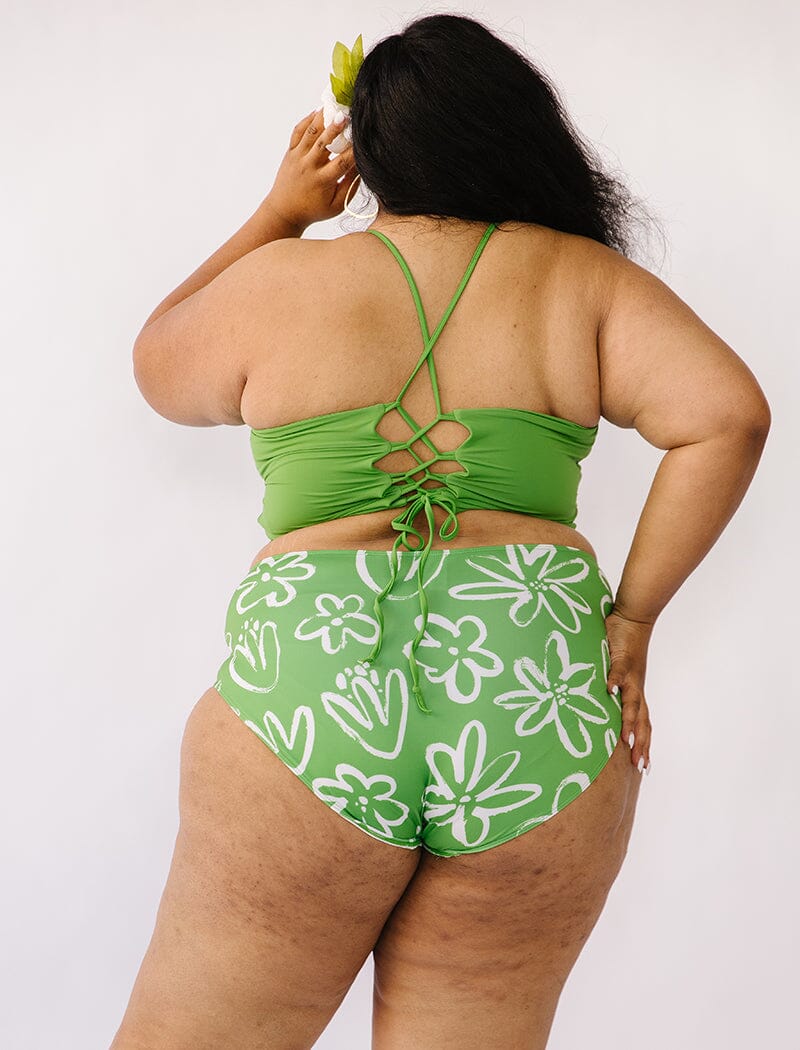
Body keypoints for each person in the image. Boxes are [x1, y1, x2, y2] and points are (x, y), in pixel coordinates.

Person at [112, 13, 771, 1050]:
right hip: (536, 713)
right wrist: (634, 619)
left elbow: (158, 361)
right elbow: (728, 416)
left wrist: (278, 215)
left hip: (311, 707)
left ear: (371, 154)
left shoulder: (283, 284)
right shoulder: (581, 280)